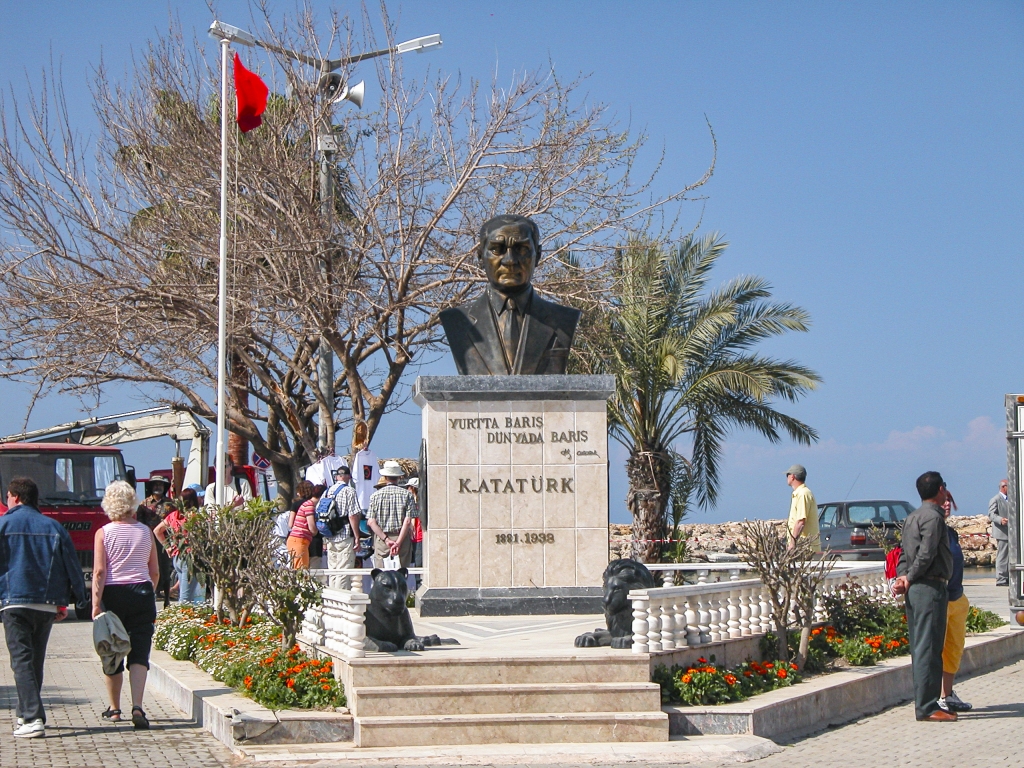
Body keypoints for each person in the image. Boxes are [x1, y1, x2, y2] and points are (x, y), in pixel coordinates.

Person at [439, 214, 581, 375]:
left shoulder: (563, 319)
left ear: (538, 255)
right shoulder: (456, 321)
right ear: (480, 256)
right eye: (497, 249)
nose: (510, 261)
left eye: (521, 249)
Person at [0, 477, 87, 738]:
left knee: (21, 661)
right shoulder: (54, 527)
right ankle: (24, 713)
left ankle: (32, 718)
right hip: (47, 603)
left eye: (7, 496)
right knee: (34, 661)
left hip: (14, 601)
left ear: (15, 496)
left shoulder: (3, 524)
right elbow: (72, 564)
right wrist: (76, 600)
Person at [92, 480, 160, 730]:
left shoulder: (104, 533)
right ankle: (138, 707)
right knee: (140, 652)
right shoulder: (145, 531)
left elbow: (99, 572)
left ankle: (114, 708)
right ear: (132, 502)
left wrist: (95, 604)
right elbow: (155, 572)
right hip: (141, 592)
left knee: (112, 650)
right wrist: (147, 592)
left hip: (113, 594)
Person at [893, 471, 955, 722]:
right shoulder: (934, 518)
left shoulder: (912, 518)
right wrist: (909, 577)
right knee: (929, 648)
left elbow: (904, 555)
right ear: (940, 489)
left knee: (922, 647)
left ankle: (926, 704)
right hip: (929, 588)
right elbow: (926, 554)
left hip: (915, 589)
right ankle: (928, 707)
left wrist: (902, 577)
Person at [937, 487, 972, 714]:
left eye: (949, 500)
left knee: (954, 649)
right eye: (943, 501)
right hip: (940, 599)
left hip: (957, 597)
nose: (947, 504)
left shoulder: (951, 532)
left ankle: (948, 694)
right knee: (937, 650)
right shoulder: (931, 529)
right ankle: (937, 697)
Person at [154, 487, 204, 605]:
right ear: (192, 501)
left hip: (177, 556)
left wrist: (167, 546)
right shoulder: (193, 517)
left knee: (186, 594)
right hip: (190, 556)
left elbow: (157, 530)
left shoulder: (173, 516)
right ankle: (183, 617)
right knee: (186, 598)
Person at [366, 461, 417, 568]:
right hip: (402, 537)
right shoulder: (407, 495)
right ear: (398, 477)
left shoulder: (375, 496)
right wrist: (398, 542)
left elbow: (371, 522)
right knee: (403, 573)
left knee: (381, 574)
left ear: (385, 477)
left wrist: (386, 539)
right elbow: (407, 521)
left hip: (382, 538)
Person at [320, 470, 362, 589]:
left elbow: (319, 512)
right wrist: (357, 536)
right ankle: (341, 597)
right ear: (348, 476)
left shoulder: (327, 491)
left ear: (337, 477)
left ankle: (333, 596)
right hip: (344, 534)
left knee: (333, 569)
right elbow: (353, 515)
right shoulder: (349, 491)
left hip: (330, 535)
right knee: (344, 570)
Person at [287, 483, 322, 569]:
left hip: (298, 539)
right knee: (305, 570)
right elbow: (312, 528)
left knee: (300, 568)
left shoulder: (296, 504)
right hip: (305, 540)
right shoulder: (310, 505)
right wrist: (316, 531)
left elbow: (290, 524)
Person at [785, 464, 820, 551]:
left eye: (787, 475)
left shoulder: (803, 494)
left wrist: (793, 544)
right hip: (801, 545)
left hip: (805, 547)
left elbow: (801, 522)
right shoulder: (799, 493)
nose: (787, 478)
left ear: (792, 476)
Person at [988, 479, 1010, 587]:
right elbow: (991, 514)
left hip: (1011, 534)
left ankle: (1009, 577)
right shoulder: (995, 499)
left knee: (1011, 556)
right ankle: (1001, 579)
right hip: (1002, 533)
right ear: (1003, 487)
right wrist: (1000, 520)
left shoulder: (1011, 499)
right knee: (1002, 556)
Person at [404, 478, 423, 567]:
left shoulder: (416, 503)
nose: (407, 489)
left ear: (412, 488)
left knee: (417, 562)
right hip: (416, 536)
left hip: (417, 536)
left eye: (408, 487)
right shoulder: (420, 502)